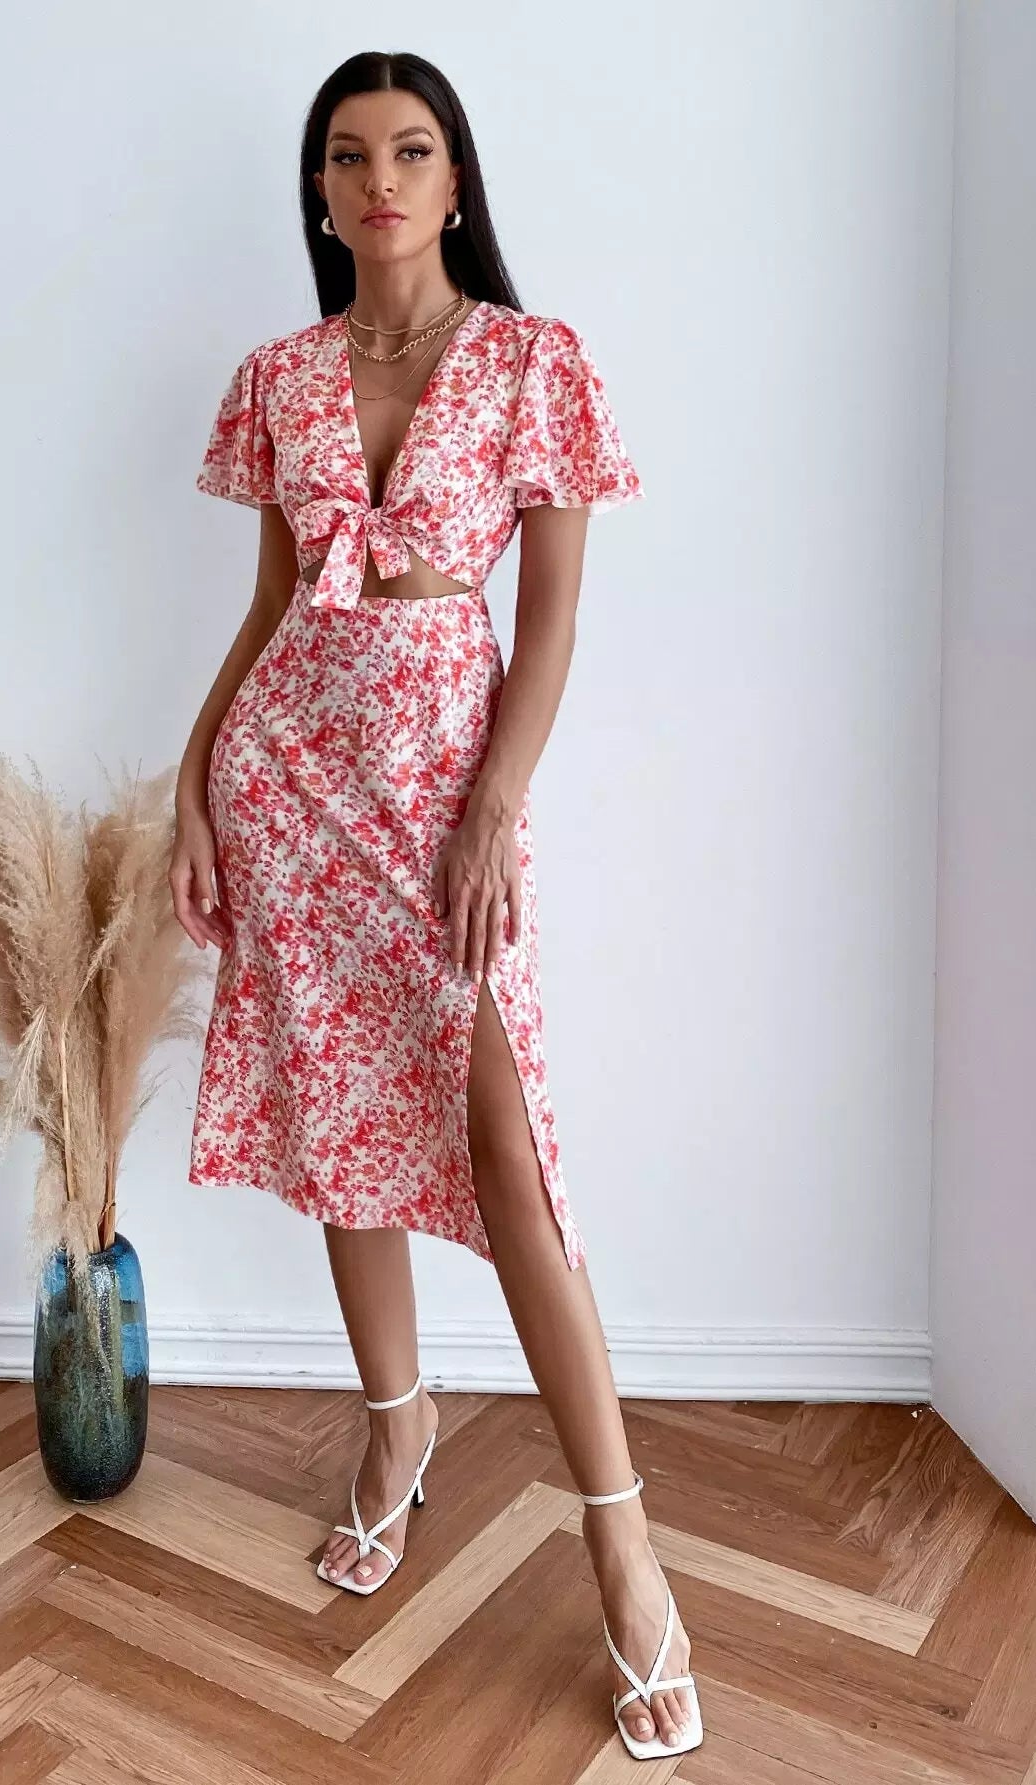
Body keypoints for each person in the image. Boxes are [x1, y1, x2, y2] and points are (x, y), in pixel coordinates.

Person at [170, 50, 702, 1762]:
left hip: (441, 794)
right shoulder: (280, 377)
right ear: (320, 192)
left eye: (411, 150)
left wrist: (493, 811)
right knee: (344, 1119)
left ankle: (624, 1549)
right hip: (289, 781)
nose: (380, 180)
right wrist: (193, 785)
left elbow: (547, 630)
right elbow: (270, 609)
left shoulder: (534, 364)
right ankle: (398, 1426)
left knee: (508, 1151)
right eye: (348, 156)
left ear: (456, 180)